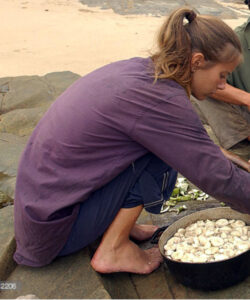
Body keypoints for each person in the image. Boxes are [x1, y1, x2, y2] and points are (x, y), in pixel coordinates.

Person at [14, 7, 250, 275]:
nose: (222, 86)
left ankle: (117, 228)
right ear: (196, 61)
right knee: (158, 155)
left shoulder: (142, 72)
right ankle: (113, 249)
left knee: (158, 147)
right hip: (54, 232)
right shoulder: (162, 101)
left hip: (42, 214)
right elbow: (216, 176)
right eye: (221, 75)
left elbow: (202, 149)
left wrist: (239, 163)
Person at [192, 1, 250, 155]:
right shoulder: (236, 41)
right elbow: (206, 80)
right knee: (201, 91)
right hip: (244, 121)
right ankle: (242, 154)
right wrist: (246, 98)